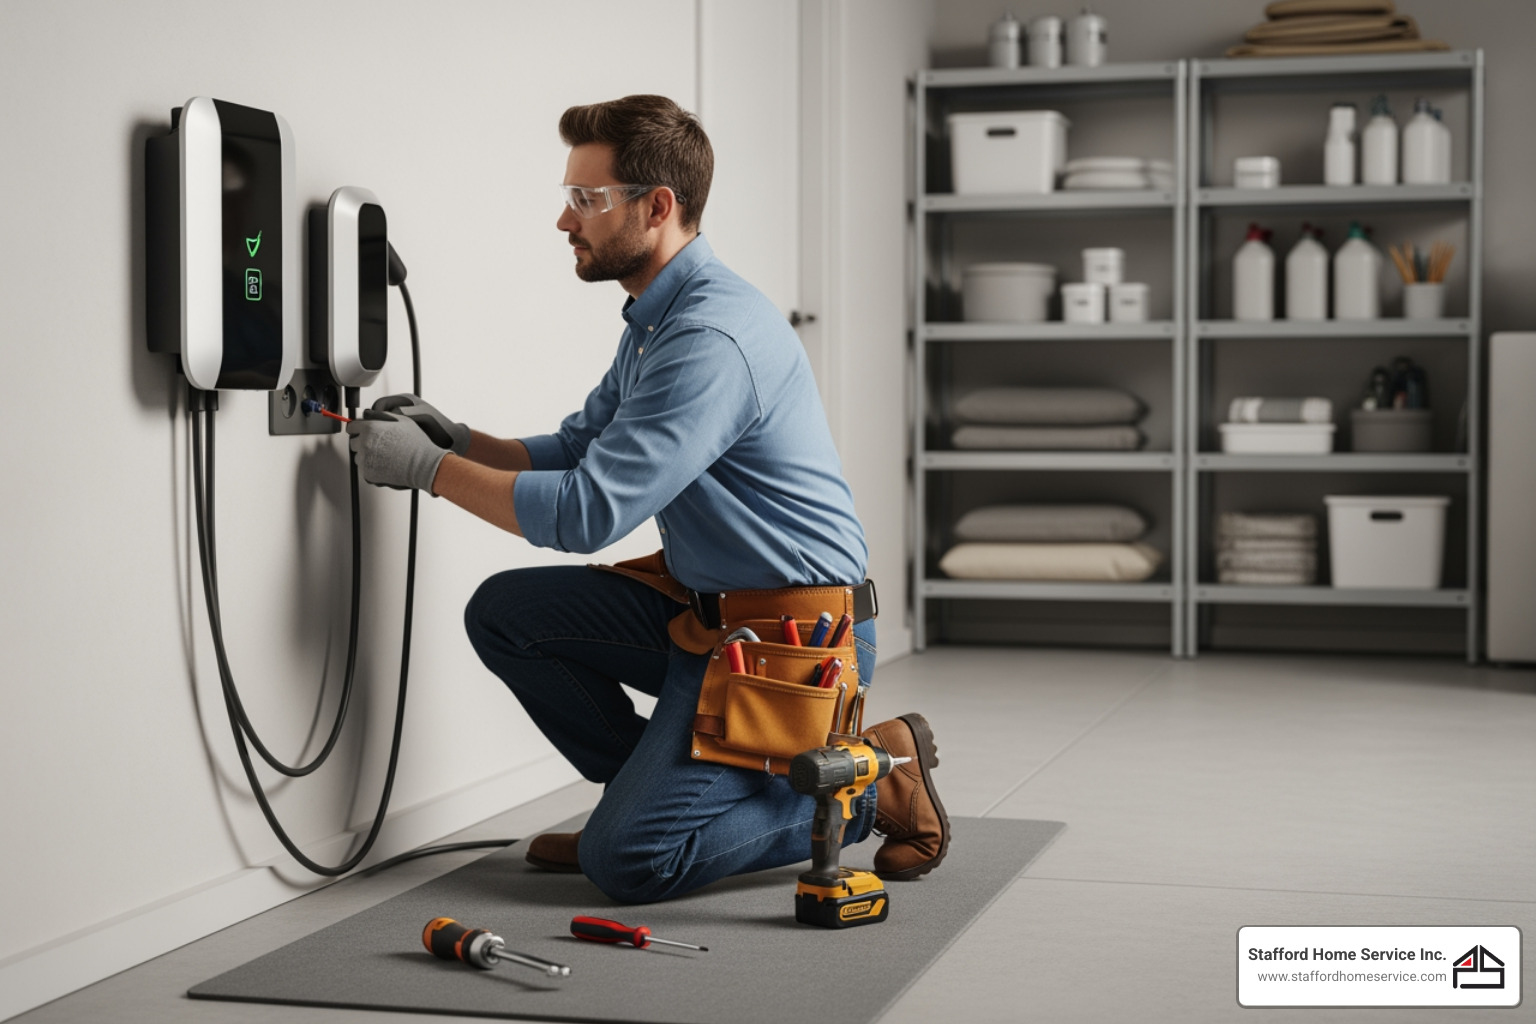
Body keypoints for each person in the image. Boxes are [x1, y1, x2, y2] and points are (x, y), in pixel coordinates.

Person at [346, 94, 948, 904]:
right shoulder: (655, 321)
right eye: (571, 197)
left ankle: (869, 782)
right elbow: (581, 446)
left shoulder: (709, 338)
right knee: (506, 614)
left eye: (586, 200)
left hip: (798, 636)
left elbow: (589, 512)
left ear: (657, 207)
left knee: (629, 863)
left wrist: (427, 471)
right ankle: (651, 796)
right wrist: (456, 438)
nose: (567, 221)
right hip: (710, 613)